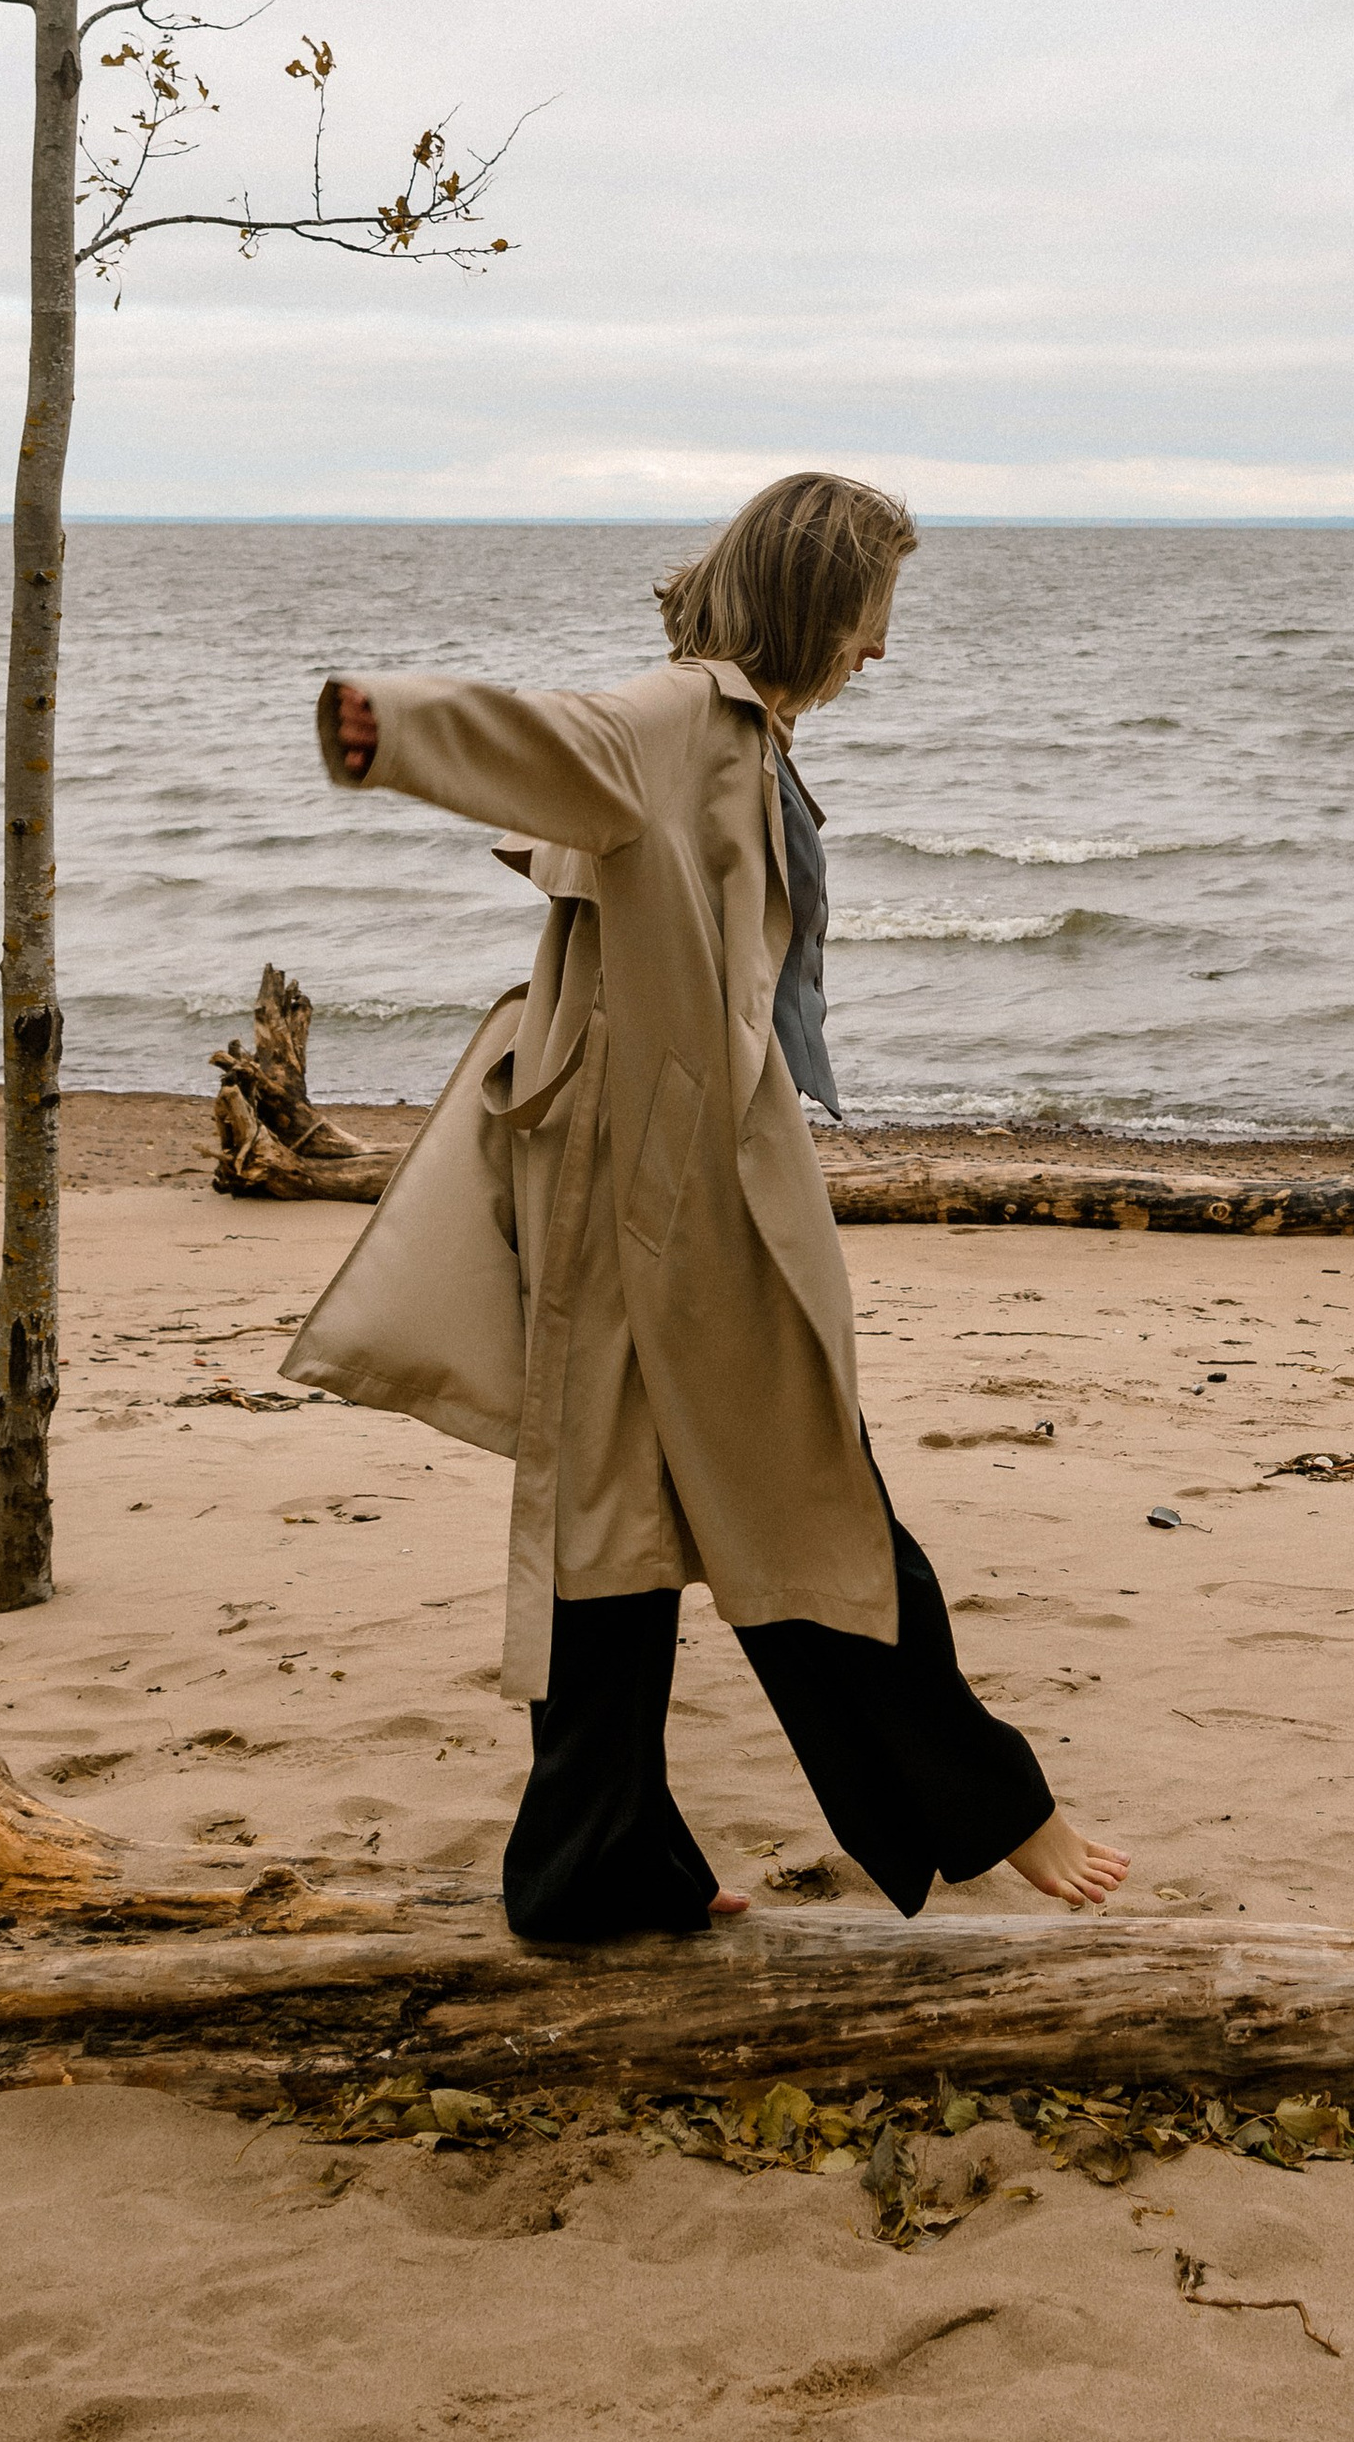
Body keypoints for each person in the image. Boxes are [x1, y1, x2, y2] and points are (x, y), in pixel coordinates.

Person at [319, 469, 1129, 1942]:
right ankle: (991, 1804)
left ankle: (593, 1866)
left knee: (611, 1521)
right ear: (821, 596)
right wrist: (384, 727)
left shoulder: (742, 731)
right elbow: (554, 743)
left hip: (651, 1168)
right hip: (668, 1187)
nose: (883, 647)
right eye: (876, 609)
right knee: (815, 1488)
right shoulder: (687, 714)